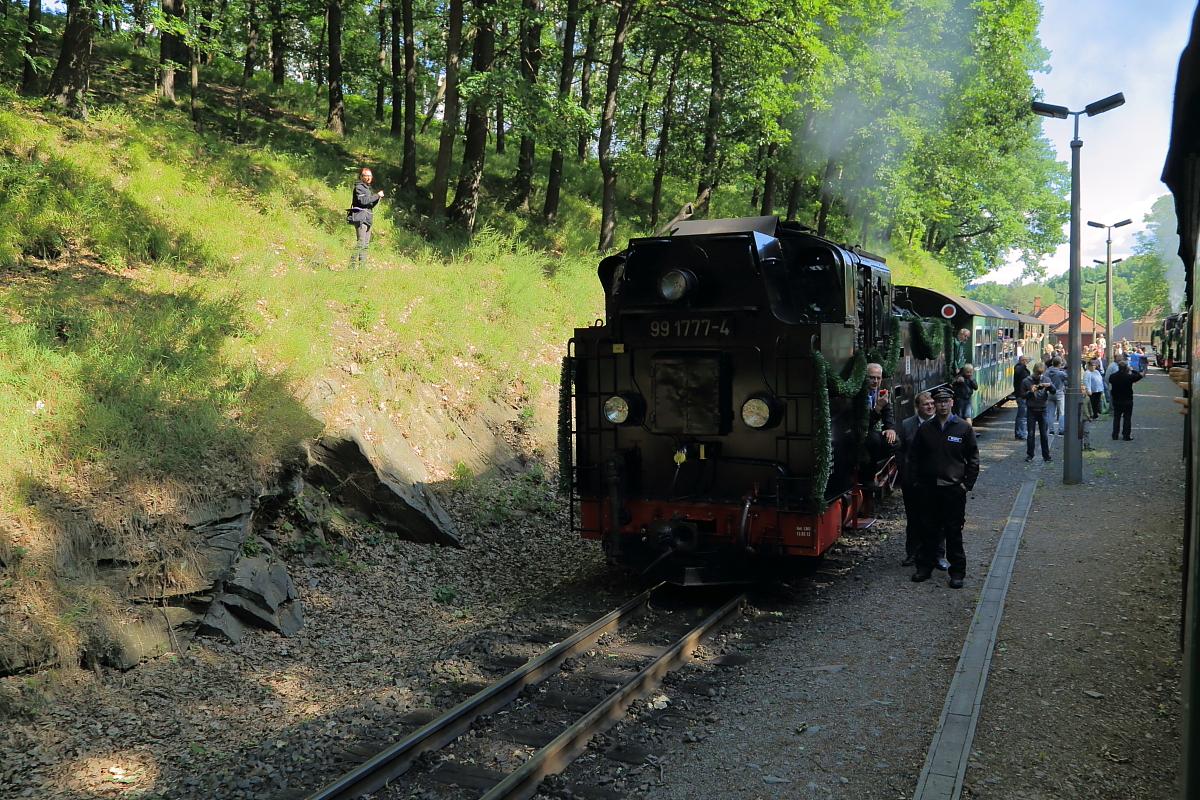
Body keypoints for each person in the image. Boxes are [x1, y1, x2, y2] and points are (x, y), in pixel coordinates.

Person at [908, 386, 979, 589]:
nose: (942, 405)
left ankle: (957, 572)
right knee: (928, 529)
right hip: (928, 489)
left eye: (945, 401)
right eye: (938, 402)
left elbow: (973, 458)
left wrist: (966, 485)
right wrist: (916, 483)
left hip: (953, 489)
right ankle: (924, 567)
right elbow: (914, 458)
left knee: (953, 532)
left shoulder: (962, 428)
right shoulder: (926, 429)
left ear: (952, 403)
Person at [898, 392, 944, 568]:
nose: (931, 406)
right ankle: (913, 553)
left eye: (932, 403)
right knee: (914, 519)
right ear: (917, 407)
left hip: (935, 480)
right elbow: (901, 450)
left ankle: (938, 555)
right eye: (926, 404)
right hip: (912, 481)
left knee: (938, 519)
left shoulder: (942, 423)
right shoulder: (907, 424)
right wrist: (904, 472)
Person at [347, 167, 385, 267]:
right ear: (361, 177)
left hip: (367, 219)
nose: (368, 177)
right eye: (366, 175)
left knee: (365, 245)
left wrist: (377, 198)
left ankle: (362, 266)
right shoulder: (359, 188)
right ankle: (351, 265)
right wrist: (377, 196)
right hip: (360, 218)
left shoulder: (366, 188)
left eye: (370, 176)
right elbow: (363, 201)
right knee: (361, 243)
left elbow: (369, 204)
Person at [1021, 361, 1055, 463]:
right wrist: (1030, 392)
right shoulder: (1026, 381)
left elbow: (1054, 391)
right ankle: (1030, 454)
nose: (1039, 376)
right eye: (1037, 374)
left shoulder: (1046, 379)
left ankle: (1046, 455)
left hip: (1043, 409)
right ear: (1034, 372)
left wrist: (1048, 385)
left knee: (1044, 434)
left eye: (1041, 374)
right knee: (1030, 433)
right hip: (1031, 409)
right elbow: (1022, 395)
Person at [865, 362, 897, 462]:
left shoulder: (880, 392)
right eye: (872, 378)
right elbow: (863, 424)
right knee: (874, 440)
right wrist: (878, 407)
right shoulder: (859, 394)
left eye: (878, 378)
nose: (875, 381)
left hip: (872, 432)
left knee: (895, 441)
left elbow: (888, 412)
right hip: (859, 433)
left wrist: (890, 429)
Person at [1109, 360, 1144, 441]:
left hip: (1116, 399)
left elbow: (1110, 381)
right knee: (1127, 418)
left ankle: (1115, 435)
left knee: (1116, 417)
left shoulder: (1113, 376)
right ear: (1126, 368)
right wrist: (1131, 370)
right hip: (1127, 399)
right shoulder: (1129, 377)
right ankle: (1126, 435)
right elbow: (1139, 376)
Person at [1044, 357, 1068, 436]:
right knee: (1061, 412)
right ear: (1059, 364)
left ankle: (1051, 430)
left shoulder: (1047, 372)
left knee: (1051, 413)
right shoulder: (1061, 373)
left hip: (1050, 393)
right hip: (1059, 393)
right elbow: (1068, 379)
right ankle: (1061, 430)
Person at [1013, 355, 1030, 440]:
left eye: (1026, 360)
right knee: (1022, 416)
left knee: (1021, 415)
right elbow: (1017, 372)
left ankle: (1018, 432)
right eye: (1023, 360)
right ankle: (1021, 433)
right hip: (1021, 394)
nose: (1025, 361)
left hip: (1022, 394)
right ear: (1020, 360)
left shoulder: (1022, 368)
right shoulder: (1018, 367)